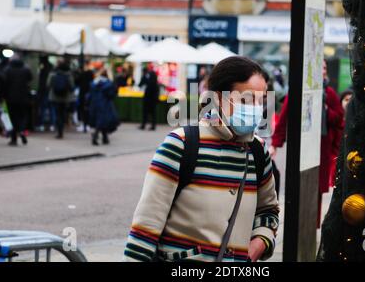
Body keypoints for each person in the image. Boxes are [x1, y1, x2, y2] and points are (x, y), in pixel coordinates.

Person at [124, 56, 279, 262]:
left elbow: (268, 210)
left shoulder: (258, 151)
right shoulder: (181, 144)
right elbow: (146, 226)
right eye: (246, 100)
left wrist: (258, 244)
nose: (256, 109)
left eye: (261, 101)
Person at [268, 60, 344, 228]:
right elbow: (284, 119)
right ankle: (297, 225)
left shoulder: (330, 94)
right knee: (298, 186)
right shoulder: (298, 92)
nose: (323, 71)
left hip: (323, 149)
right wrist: (275, 144)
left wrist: (325, 108)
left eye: (324, 68)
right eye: (319, 67)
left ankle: (312, 225)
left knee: (316, 189)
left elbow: (339, 119)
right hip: (301, 147)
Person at [1, 54, 32, 145]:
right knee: (22, 116)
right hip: (23, 97)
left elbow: (4, 84)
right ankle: (22, 130)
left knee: (13, 118)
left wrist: (2, 96)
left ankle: (14, 138)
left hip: (10, 98)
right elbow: (30, 79)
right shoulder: (26, 69)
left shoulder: (7, 69)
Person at [87, 69, 119, 146]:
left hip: (94, 104)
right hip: (105, 104)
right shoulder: (108, 83)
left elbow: (89, 95)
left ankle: (105, 138)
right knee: (102, 121)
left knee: (101, 120)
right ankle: (95, 136)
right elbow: (111, 95)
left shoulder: (94, 83)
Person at [47, 59, 75, 139]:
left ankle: (58, 130)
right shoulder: (69, 74)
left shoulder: (53, 73)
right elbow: (72, 86)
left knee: (57, 113)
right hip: (65, 98)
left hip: (54, 97)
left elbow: (48, 84)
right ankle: (61, 130)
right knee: (62, 114)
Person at [36, 56, 55, 132]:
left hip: (44, 92)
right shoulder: (52, 69)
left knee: (43, 109)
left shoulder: (43, 69)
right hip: (51, 92)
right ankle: (52, 125)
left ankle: (41, 125)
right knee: (51, 109)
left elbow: (42, 83)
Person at [138, 64, 159, 131]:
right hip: (152, 96)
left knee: (147, 112)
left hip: (149, 97)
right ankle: (151, 125)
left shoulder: (148, 75)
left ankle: (145, 125)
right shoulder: (152, 75)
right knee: (152, 112)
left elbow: (140, 84)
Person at [76, 62, 95, 133]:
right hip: (89, 94)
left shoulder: (82, 74)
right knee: (87, 110)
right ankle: (87, 125)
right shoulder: (90, 74)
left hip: (83, 94)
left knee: (83, 110)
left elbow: (77, 81)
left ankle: (84, 125)